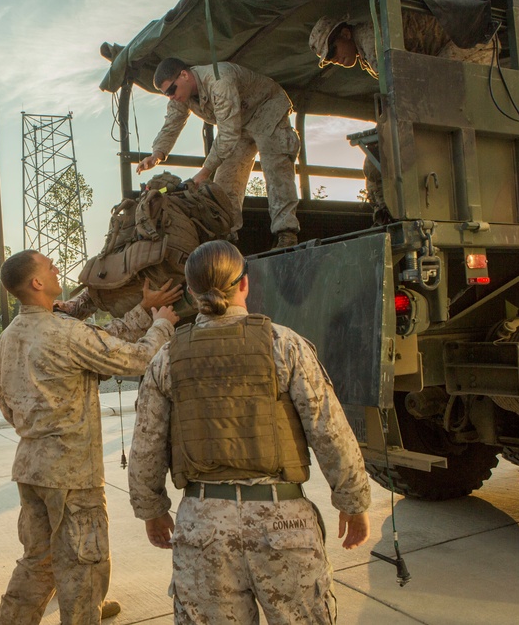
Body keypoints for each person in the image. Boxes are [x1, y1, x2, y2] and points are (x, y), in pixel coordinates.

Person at [128, 239, 371, 624]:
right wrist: (353, 501)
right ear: (245, 284)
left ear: (190, 292)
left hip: (202, 529)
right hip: (283, 523)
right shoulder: (284, 344)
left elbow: (146, 447)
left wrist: (151, 510)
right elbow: (329, 431)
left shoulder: (166, 358)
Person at [0, 249, 180, 625]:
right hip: (72, 476)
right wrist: (161, 324)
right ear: (37, 282)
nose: (57, 268)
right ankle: (82, 616)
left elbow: (8, 408)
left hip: (30, 469)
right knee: (83, 565)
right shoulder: (64, 333)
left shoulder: (5, 341)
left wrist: (143, 309)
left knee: (37, 562)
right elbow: (136, 359)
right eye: (49, 266)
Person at [309, 13, 494, 224]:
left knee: (419, 125)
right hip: (453, 49)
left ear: (345, 33)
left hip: (467, 43)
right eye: (328, 59)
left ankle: (408, 205)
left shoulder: (370, 41)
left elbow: (401, 95)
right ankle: (386, 209)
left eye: (332, 50)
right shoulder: (364, 46)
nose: (335, 60)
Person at [136, 58, 301, 249]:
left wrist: (204, 172)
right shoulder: (182, 94)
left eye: (171, 90)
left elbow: (228, 133)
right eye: (166, 94)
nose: (170, 97)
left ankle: (286, 235)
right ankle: (227, 241)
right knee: (224, 185)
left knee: (276, 172)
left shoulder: (219, 81)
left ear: (184, 75)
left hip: (266, 111)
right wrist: (156, 154)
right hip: (238, 124)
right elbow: (172, 123)